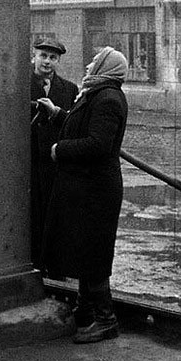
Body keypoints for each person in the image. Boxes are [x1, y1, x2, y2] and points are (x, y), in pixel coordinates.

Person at [38, 47, 129, 345]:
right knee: (84, 247)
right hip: (88, 187)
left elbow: (98, 144)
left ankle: (105, 320)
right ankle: (85, 310)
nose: (89, 64)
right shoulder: (96, 93)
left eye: (95, 60)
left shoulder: (108, 98)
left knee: (94, 251)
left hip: (97, 189)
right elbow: (81, 125)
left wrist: (59, 150)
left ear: (105, 66)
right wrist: (57, 115)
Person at [30, 38, 78, 270]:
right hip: (28, 163)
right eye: (43, 56)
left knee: (55, 215)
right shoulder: (21, 83)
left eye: (52, 58)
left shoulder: (69, 89)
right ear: (34, 56)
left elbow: (72, 125)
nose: (47, 62)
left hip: (54, 163)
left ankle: (54, 265)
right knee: (32, 214)